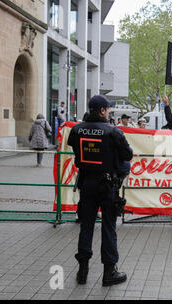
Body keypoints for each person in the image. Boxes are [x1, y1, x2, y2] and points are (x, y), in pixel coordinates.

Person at [67, 94, 133, 287]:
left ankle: (82, 271)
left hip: (86, 184)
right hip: (107, 186)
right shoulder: (113, 132)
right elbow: (128, 154)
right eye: (108, 109)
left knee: (86, 227)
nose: (109, 112)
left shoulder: (77, 130)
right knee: (108, 228)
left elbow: (74, 147)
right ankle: (109, 272)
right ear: (103, 111)